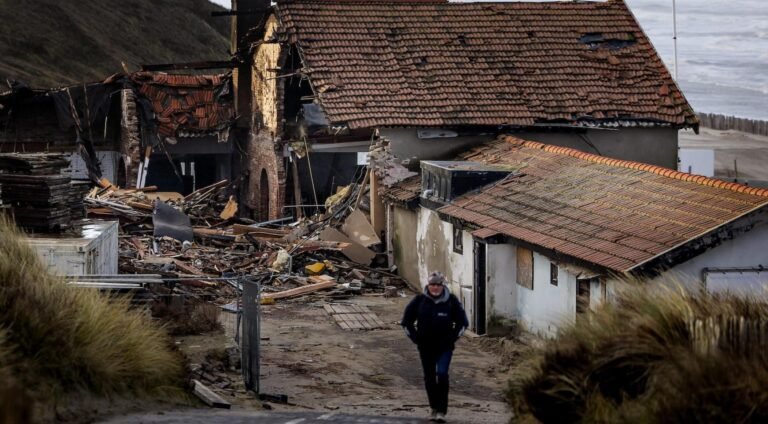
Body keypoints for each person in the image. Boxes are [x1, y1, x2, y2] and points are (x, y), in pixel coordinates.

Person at [401, 271, 469, 423]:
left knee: (442, 374)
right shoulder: (419, 301)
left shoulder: (451, 301)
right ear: (428, 285)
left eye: (438, 285)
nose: (435, 288)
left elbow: (463, 323)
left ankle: (442, 412)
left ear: (442, 286)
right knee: (430, 377)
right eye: (432, 285)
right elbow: (406, 322)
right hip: (425, 346)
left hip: (445, 347)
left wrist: (452, 338)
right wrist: (416, 338)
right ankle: (434, 408)